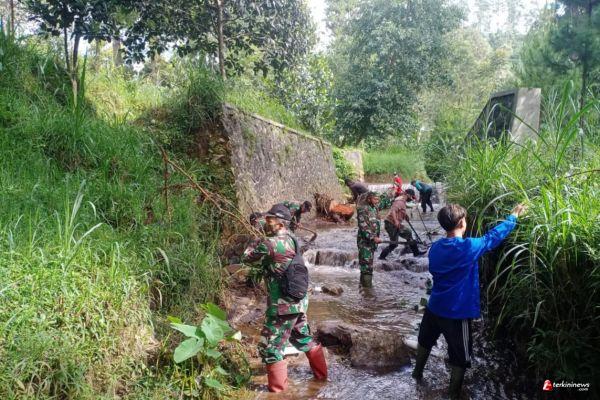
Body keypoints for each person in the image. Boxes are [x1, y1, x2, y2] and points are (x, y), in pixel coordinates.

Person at [412, 203, 527, 399]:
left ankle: (417, 374)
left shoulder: (435, 248)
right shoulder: (469, 247)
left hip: (434, 307)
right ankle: (453, 394)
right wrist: (513, 216)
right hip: (457, 314)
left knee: (425, 340)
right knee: (461, 357)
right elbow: (492, 237)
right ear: (461, 223)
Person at [242, 204, 327, 392]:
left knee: (271, 348)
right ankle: (322, 379)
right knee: (303, 339)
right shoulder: (293, 239)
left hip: (283, 306)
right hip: (299, 301)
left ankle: (278, 393)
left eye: (269, 220)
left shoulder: (269, 244)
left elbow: (246, 258)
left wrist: (255, 237)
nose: (266, 222)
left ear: (280, 224)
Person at [379, 189, 425, 259]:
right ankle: (381, 257)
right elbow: (393, 211)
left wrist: (405, 215)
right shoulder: (399, 201)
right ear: (408, 195)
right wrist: (396, 221)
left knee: (408, 233)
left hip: (394, 223)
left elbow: (400, 210)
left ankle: (416, 253)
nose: (411, 198)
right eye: (411, 197)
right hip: (391, 224)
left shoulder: (403, 201)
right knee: (394, 244)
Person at [356, 191, 382, 287]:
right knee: (366, 266)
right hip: (364, 242)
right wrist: (373, 237)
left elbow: (376, 224)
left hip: (372, 242)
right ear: (369, 199)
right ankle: (367, 290)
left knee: (368, 265)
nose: (377, 201)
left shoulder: (375, 208)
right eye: (375, 199)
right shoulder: (363, 210)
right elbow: (363, 226)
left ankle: (362, 288)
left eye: (378, 199)